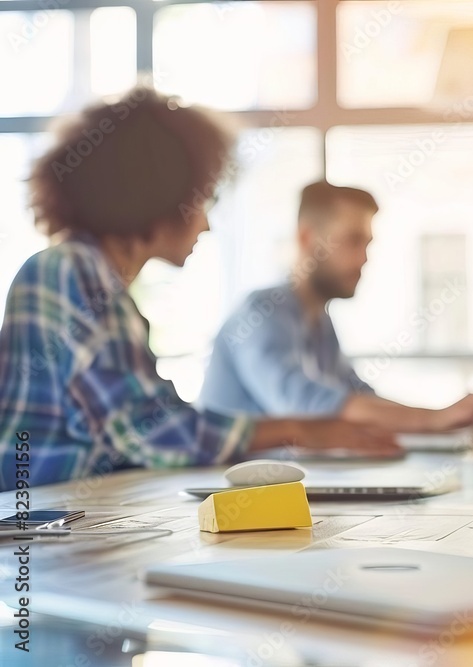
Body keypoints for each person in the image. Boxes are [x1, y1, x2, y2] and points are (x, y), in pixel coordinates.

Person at [0, 89, 400, 492]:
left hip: (70, 516)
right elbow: (149, 430)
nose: (206, 224)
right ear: (158, 195)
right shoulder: (73, 269)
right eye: (203, 200)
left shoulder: (99, 282)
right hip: (34, 523)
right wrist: (299, 430)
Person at [200, 181, 473, 432]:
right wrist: (432, 420)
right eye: (353, 241)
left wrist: (445, 419)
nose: (364, 258)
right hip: (236, 490)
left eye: (367, 244)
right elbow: (300, 404)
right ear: (306, 238)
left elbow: (357, 395)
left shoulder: (319, 322)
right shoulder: (261, 313)